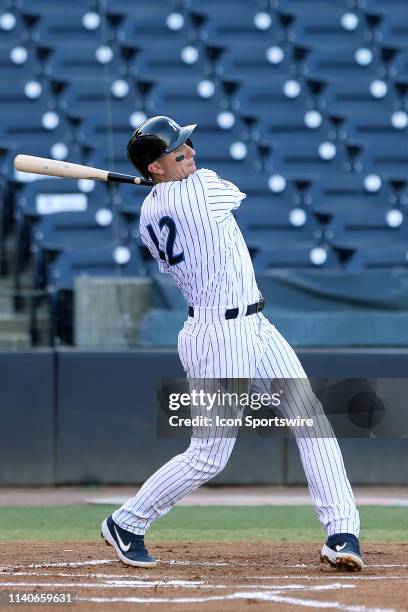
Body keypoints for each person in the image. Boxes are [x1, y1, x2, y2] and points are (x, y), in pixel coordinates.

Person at [101, 115, 364, 571]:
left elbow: (178, 207)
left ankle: (342, 532)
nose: (191, 154)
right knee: (208, 456)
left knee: (311, 418)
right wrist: (172, 185)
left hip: (254, 324)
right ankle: (128, 521)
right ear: (155, 168)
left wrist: (163, 183)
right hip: (218, 336)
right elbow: (226, 194)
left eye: (188, 146)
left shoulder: (149, 211)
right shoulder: (200, 191)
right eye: (177, 152)